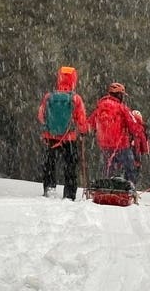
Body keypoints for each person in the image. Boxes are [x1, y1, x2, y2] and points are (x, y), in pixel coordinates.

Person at [37, 66, 88, 200]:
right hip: (69, 138)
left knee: (49, 164)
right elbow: (81, 119)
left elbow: (41, 116)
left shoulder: (49, 97)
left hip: (51, 137)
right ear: (74, 80)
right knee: (70, 166)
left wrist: (49, 127)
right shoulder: (75, 99)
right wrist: (82, 132)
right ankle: (69, 194)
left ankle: (49, 188)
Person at [88, 82, 147, 187]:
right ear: (119, 95)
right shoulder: (122, 108)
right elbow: (134, 126)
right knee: (130, 169)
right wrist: (141, 130)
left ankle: (104, 189)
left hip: (105, 145)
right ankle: (129, 189)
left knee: (107, 169)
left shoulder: (100, 107)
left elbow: (89, 124)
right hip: (121, 145)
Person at [130, 109, 150, 186]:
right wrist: (146, 152)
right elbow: (144, 143)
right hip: (137, 154)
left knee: (129, 173)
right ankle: (132, 186)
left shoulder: (130, 127)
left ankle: (129, 187)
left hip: (130, 153)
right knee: (134, 174)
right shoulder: (141, 129)